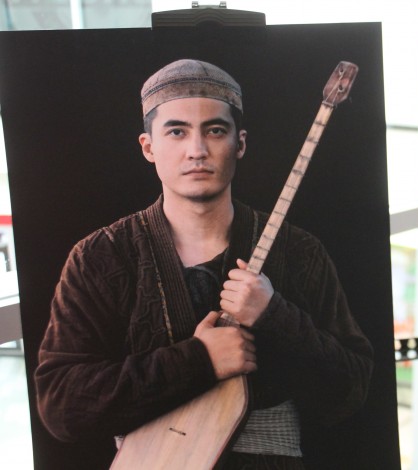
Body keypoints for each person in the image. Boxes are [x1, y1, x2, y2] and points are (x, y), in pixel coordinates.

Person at [34, 59, 374, 469]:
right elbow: (62, 406)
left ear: (239, 143)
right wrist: (199, 360)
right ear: (148, 147)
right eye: (177, 131)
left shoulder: (299, 251)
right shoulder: (100, 257)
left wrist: (275, 315)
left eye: (215, 130)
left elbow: (350, 393)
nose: (197, 150)